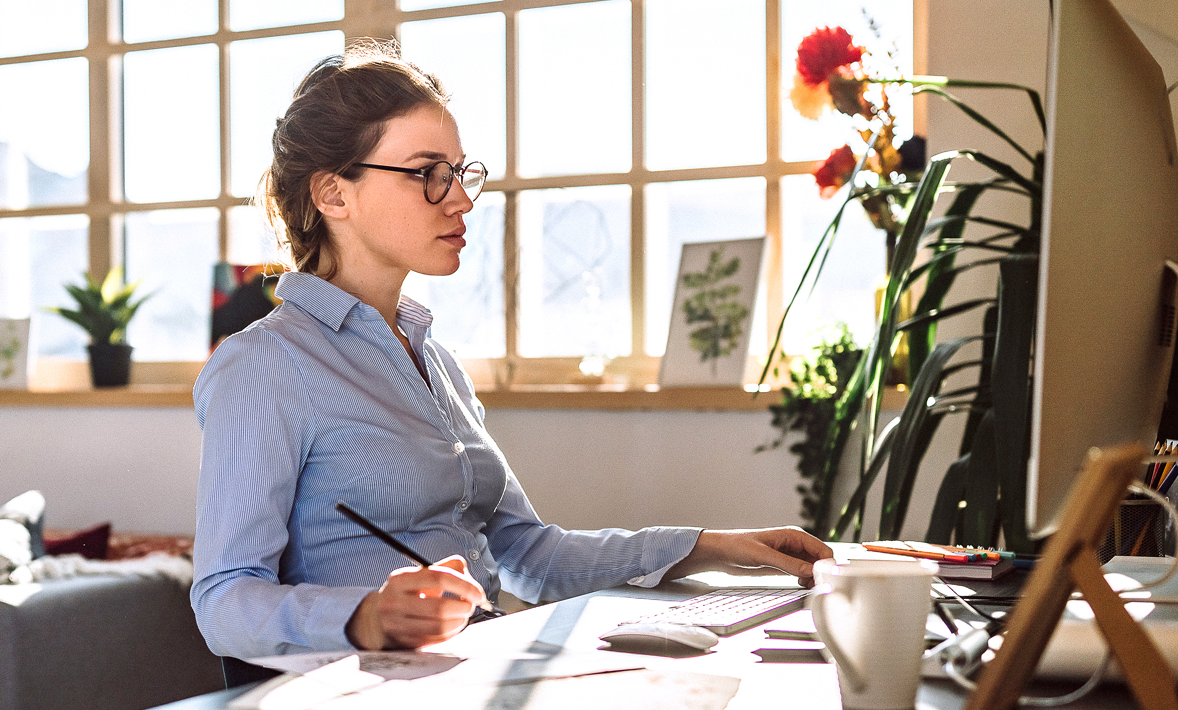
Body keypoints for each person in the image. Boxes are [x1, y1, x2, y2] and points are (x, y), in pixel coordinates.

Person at [190, 40, 832, 660]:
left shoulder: (433, 361)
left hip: (473, 670)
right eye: (427, 176)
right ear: (334, 194)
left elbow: (531, 555)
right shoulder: (265, 366)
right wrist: (365, 618)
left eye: (461, 173)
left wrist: (712, 546)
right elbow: (223, 600)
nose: (463, 198)